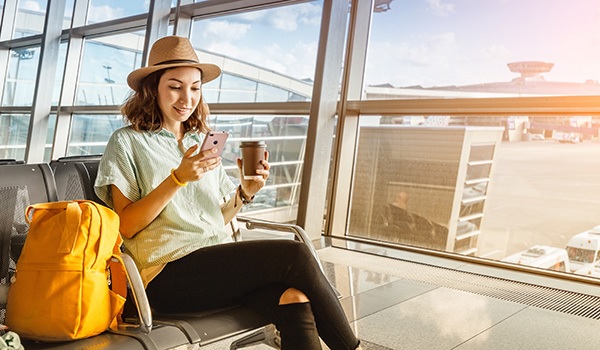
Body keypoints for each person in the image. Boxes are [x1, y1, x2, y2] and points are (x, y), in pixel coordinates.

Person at [95, 36, 361, 350]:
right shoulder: (126, 142)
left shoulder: (200, 139)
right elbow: (126, 225)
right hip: (164, 274)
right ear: (152, 88)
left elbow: (214, 218)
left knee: (294, 299)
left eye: (195, 88)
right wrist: (176, 179)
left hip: (213, 266)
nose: (187, 97)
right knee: (295, 254)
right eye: (175, 86)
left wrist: (244, 193)